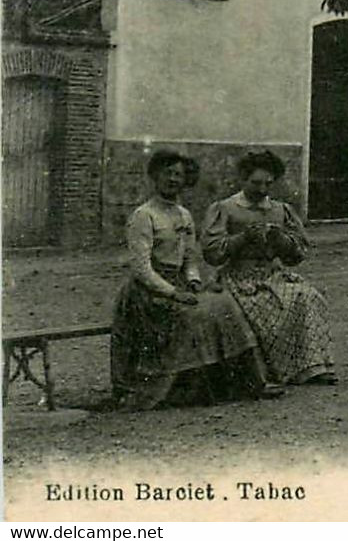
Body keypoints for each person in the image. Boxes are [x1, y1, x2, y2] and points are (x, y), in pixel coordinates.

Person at [110, 150, 278, 410]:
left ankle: (250, 382)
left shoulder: (184, 215)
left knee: (225, 305)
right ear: (155, 176)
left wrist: (195, 282)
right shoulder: (144, 216)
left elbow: (190, 260)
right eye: (168, 173)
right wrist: (174, 293)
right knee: (194, 315)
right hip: (147, 295)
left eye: (179, 174)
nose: (174, 179)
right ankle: (183, 385)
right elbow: (141, 269)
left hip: (179, 284)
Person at [202, 152, 337, 386]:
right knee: (260, 308)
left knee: (308, 297)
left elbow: (297, 254)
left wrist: (280, 239)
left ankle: (310, 366)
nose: (262, 189)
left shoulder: (280, 210)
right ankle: (269, 370)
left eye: (268, 183)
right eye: (256, 183)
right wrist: (242, 238)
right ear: (243, 180)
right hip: (238, 277)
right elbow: (212, 252)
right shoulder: (225, 208)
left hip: (273, 275)